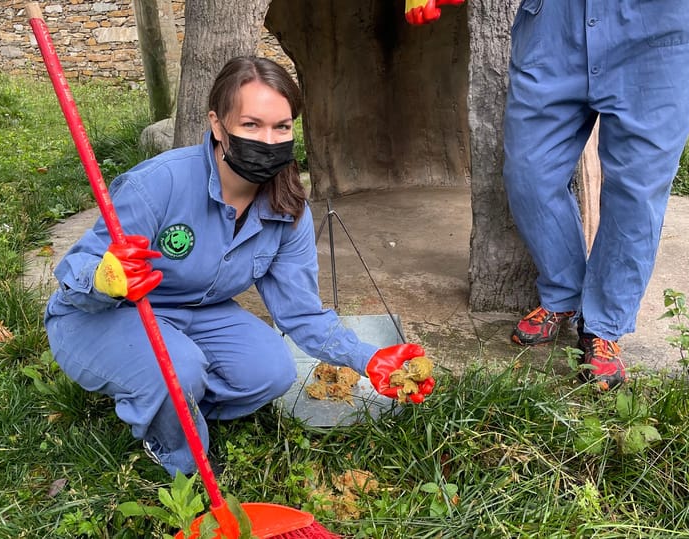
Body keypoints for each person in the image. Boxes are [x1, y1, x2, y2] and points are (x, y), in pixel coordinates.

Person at [44, 56, 435, 477]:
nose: (268, 140)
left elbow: (301, 313)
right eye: (251, 125)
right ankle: (178, 453)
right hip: (106, 314)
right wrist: (104, 277)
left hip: (196, 314)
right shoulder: (160, 183)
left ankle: (171, 403)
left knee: (272, 370)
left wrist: (368, 357)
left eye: (281, 127)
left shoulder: (287, 209)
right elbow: (76, 271)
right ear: (217, 125)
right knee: (179, 370)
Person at [503, 2, 689, 391]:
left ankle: (603, 325)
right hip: (555, 24)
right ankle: (563, 290)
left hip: (659, 31)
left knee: (635, 189)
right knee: (528, 171)